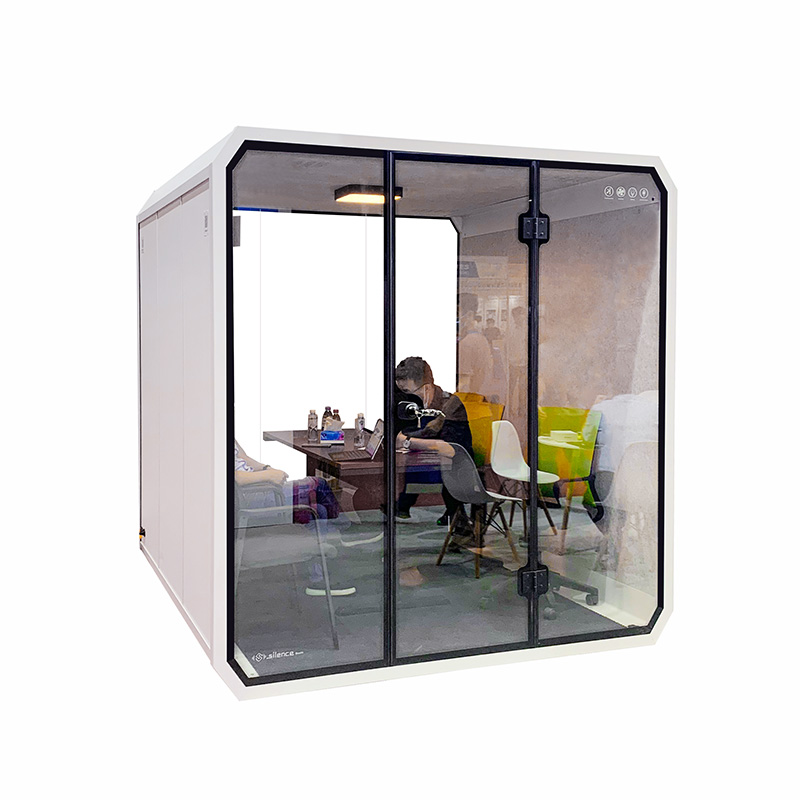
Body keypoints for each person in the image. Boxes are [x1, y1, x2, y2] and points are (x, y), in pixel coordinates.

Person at [234, 440, 371, 596]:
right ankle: (343, 535)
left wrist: (267, 468)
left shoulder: (222, 433)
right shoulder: (212, 436)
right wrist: (268, 475)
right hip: (250, 496)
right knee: (318, 486)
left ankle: (321, 574)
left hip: (258, 488)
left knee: (319, 510)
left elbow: (243, 457)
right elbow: (228, 475)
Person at [394, 357, 473, 526]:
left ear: (427, 388)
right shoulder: (422, 406)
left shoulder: (450, 406)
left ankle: (457, 518)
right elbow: (427, 433)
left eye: (408, 392)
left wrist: (407, 441)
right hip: (441, 461)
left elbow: (450, 449)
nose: (405, 398)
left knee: (415, 464)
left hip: (457, 465)